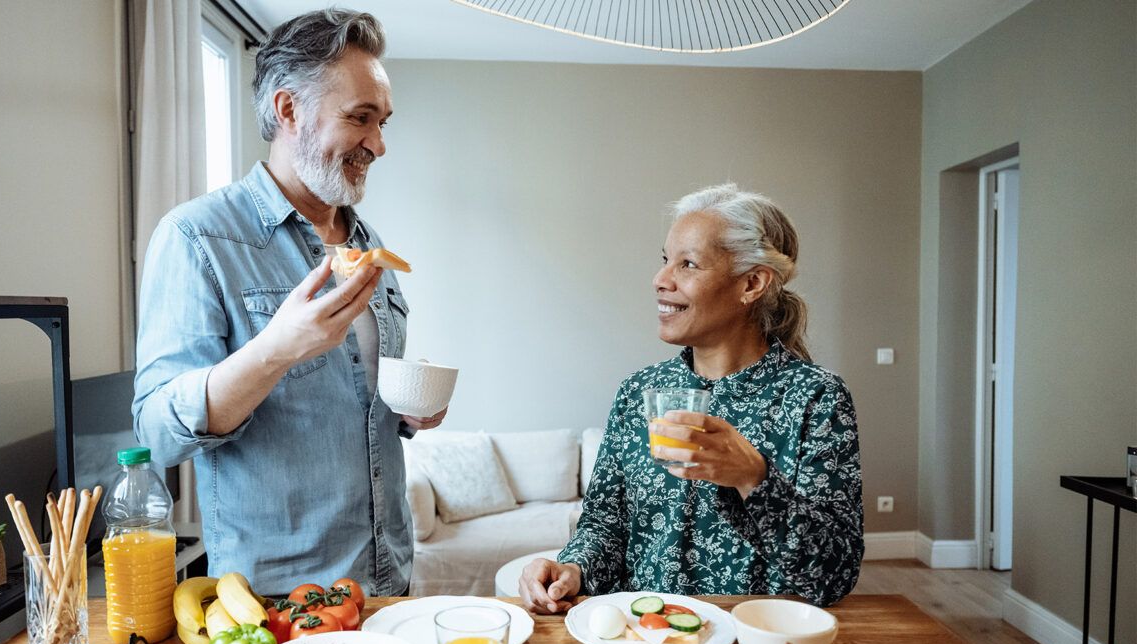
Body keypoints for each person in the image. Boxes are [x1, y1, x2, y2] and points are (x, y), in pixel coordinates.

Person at [133, 9, 444, 597]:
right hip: (274, 598)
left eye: (383, 122)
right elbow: (156, 434)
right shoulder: (197, 238)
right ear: (287, 110)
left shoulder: (366, 242)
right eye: (360, 118)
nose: (378, 144)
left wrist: (404, 408)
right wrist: (275, 351)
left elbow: (351, 400)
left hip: (386, 580)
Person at [519, 183, 863, 612]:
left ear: (752, 283)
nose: (661, 280)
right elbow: (605, 526)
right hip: (643, 641)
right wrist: (574, 568)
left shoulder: (817, 398)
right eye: (666, 261)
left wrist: (754, 480)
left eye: (688, 264)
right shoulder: (637, 393)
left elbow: (834, 575)